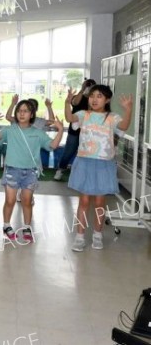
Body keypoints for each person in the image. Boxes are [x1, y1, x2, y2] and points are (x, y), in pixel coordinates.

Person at [64, 85, 132, 251]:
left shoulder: (112, 117)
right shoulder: (83, 115)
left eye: (99, 96)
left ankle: (97, 235)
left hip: (103, 163)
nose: (94, 99)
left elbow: (123, 127)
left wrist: (128, 109)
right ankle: (79, 237)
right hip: (85, 162)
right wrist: (67, 102)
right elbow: (69, 118)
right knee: (84, 201)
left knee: (100, 202)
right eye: (92, 95)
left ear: (107, 99)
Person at [0, 100, 63, 243]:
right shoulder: (10, 130)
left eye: (26, 111)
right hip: (12, 169)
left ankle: (27, 227)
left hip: (30, 171)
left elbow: (52, 145)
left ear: (32, 114)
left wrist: (60, 131)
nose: (22, 113)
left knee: (27, 201)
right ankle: (6, 226)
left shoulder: (37, 133)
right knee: (10, 201)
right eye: (19, 110)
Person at [3, 95, 56, 205]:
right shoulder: (19, 120)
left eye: (31, 107)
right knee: (15, 180)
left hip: (32, 159)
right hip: (16, 159)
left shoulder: (39, 121)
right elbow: (8, 117)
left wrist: (49, 107)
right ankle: (18, 193)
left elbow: (51, 121)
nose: (23, 112)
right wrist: (13, 103)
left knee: (30, 180)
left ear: (34, 111)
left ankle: (27, 195)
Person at [54, 78, 96, 181]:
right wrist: (82, 90)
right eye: (87, 86)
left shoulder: (94, 99)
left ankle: (83, 173)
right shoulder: (79, 96)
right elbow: (75, 103)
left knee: (87, 153)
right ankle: (60, 170)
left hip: (88, 131)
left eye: (90, 87)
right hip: (74, 130)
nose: (88, 89)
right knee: (68, 151)